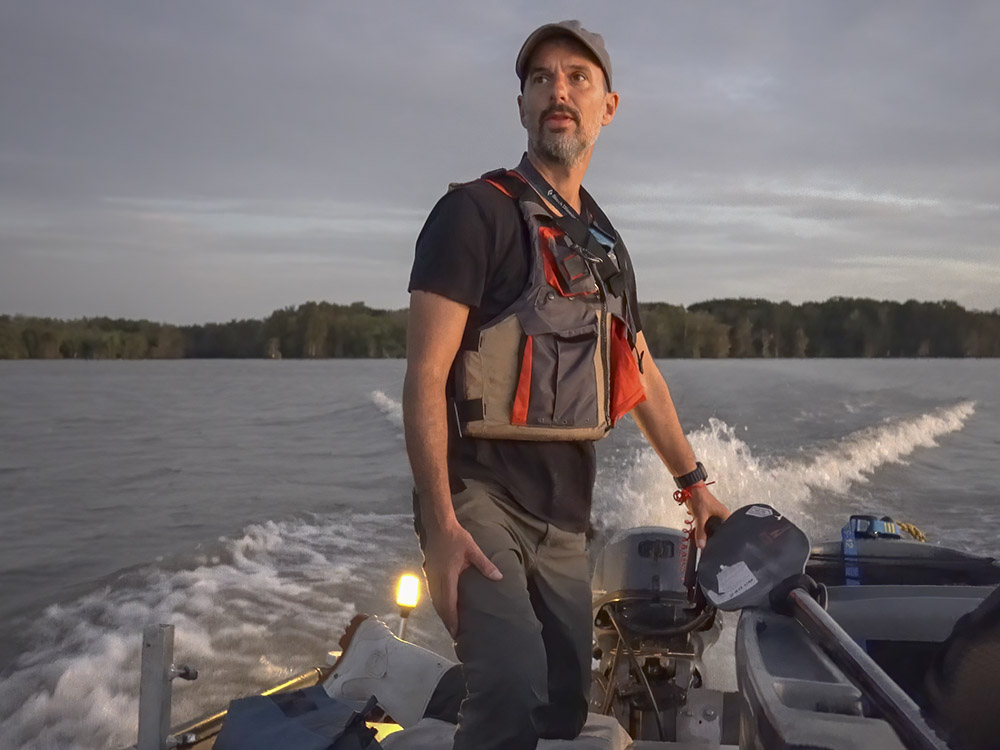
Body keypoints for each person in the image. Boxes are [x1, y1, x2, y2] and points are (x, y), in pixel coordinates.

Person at [326, 20, 730, 750]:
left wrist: (695, 486)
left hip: (565, 517)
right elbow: (424, 376)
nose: (559, 91)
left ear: (609, 107)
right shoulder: (471, 215)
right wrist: (443, 528)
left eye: (578, 77)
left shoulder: (606, 248)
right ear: (522, 107)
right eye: (541, 78)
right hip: (479, 496)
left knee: (563, 705)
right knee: (511, 686)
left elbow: (641, 375)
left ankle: (390, 666)